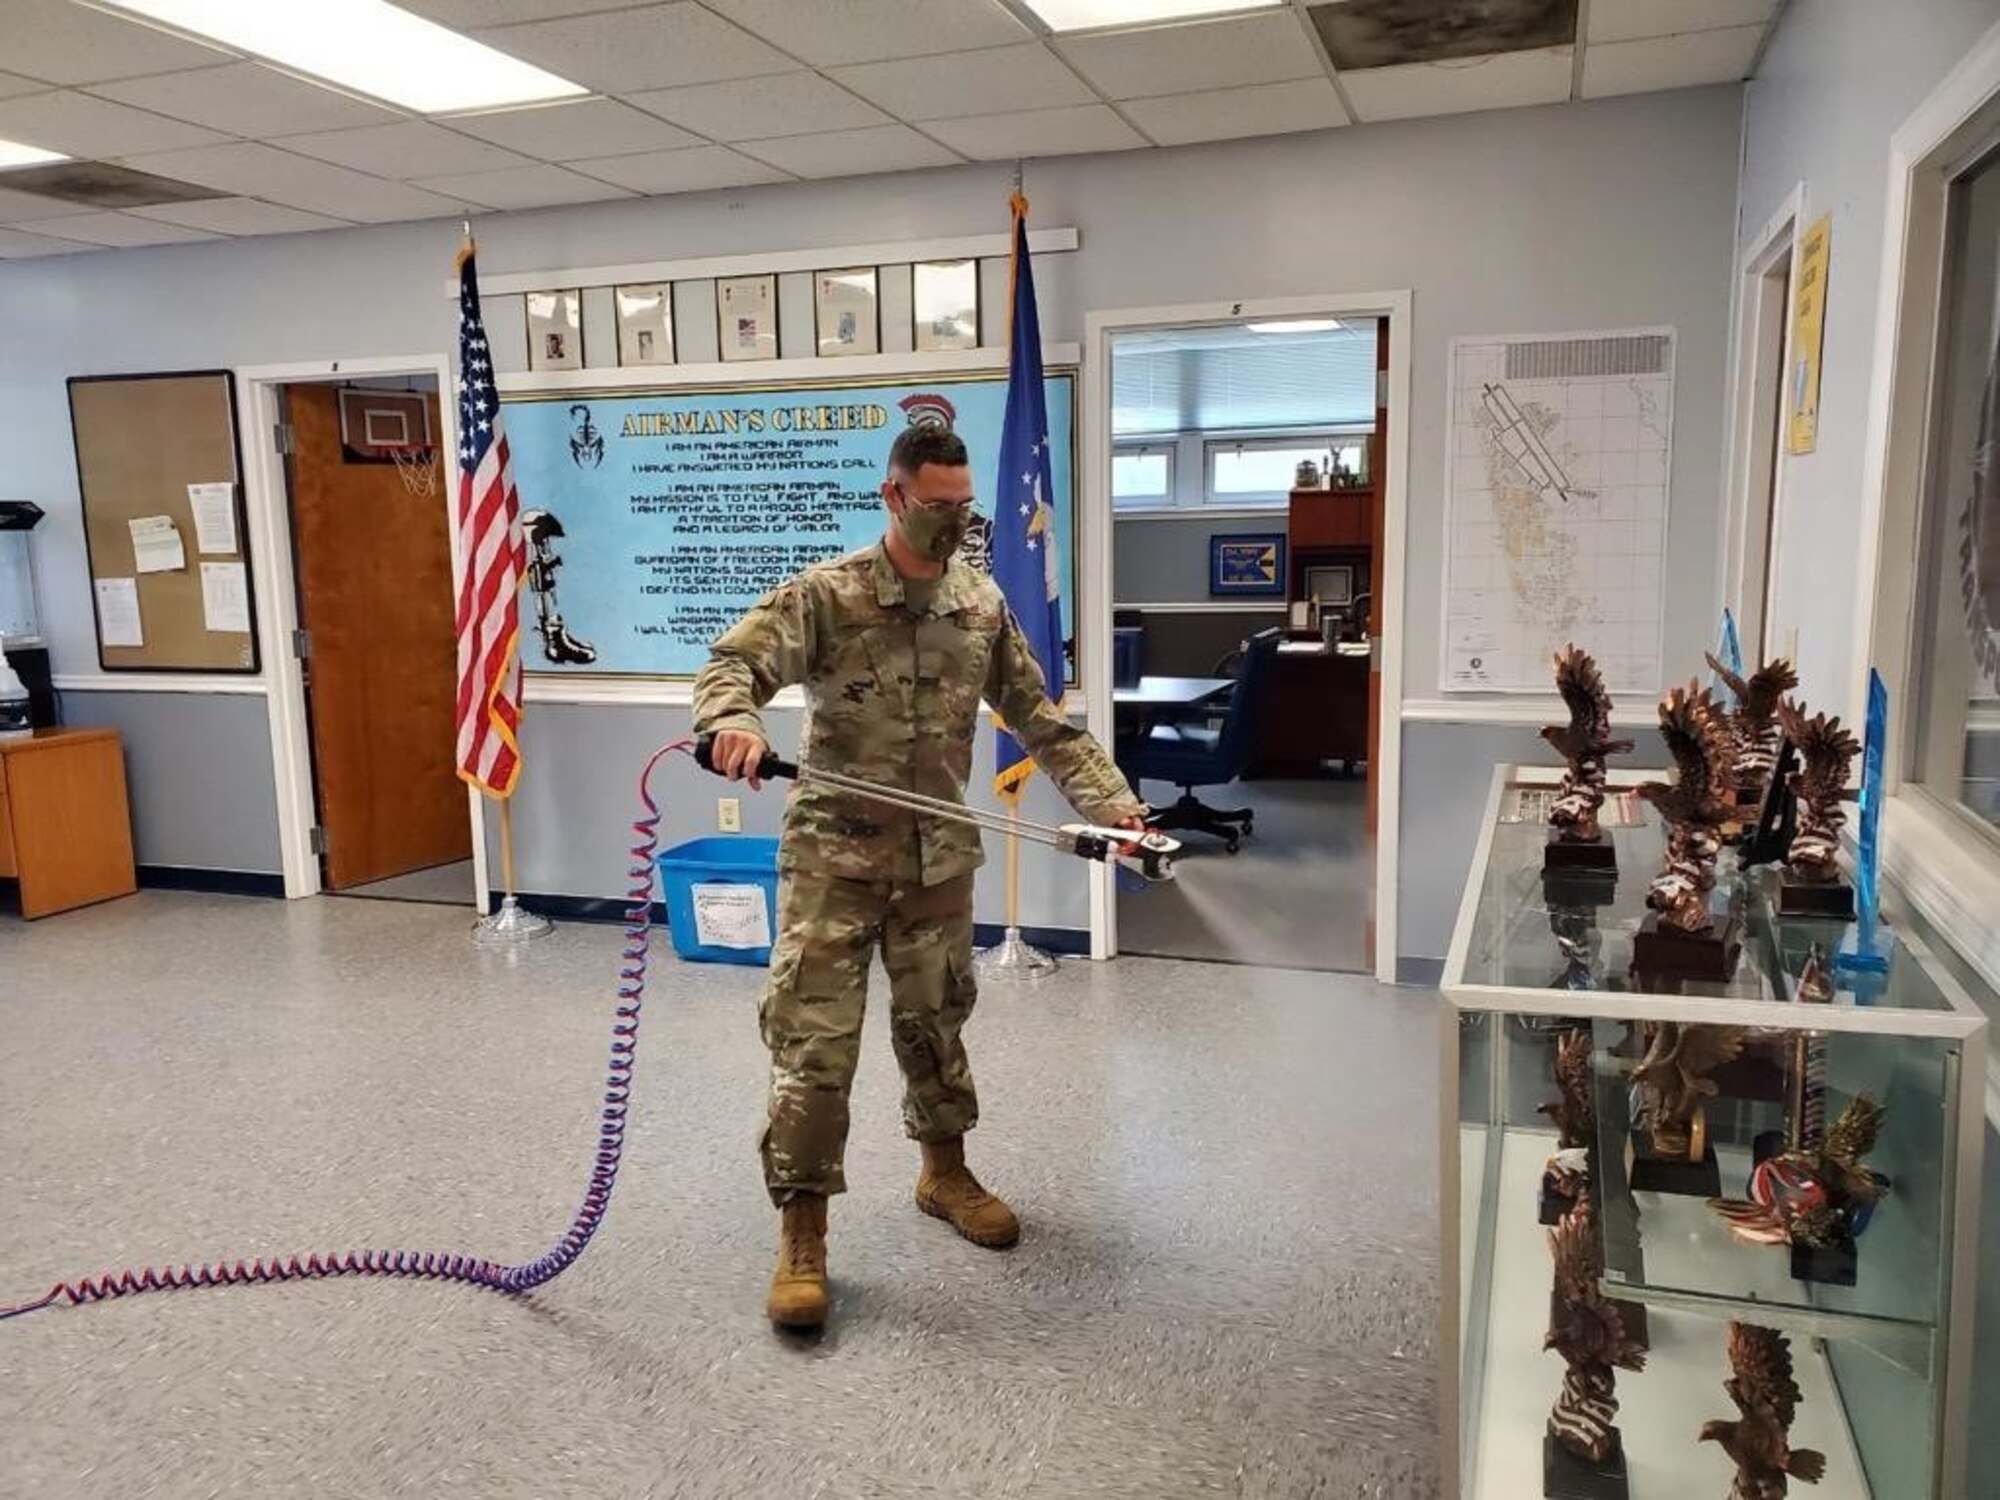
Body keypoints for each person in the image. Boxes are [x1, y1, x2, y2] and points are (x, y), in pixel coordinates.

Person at [692, 423, 1146, 1330]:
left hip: (937, 863)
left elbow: (1042, 720)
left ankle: (944, 1175)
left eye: (963, 505)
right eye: (936, 506)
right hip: (833, 862)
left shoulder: (979, 606)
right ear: (892, 496)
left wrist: (1115, 806)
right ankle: (804, 1232)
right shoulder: (829, 594)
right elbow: (734, 662)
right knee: (813, 1048)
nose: (952, 521)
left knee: (935, 1026)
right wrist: (734, 720)